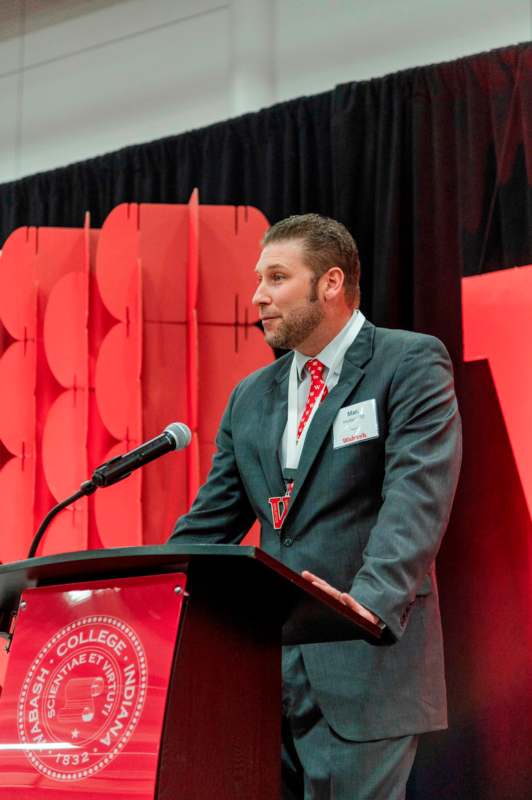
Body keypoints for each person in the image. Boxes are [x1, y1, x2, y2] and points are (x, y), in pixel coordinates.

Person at [170, 213, 462, 800]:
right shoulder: (251, 396)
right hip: (263, 679)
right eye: (258, 279)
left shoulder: (409, 363)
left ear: (330, 283)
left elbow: (415, 499)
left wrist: (366, 607)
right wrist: (141, 598)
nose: (257, 296)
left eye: (276, 278)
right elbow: (207, 527)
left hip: (364, 663)